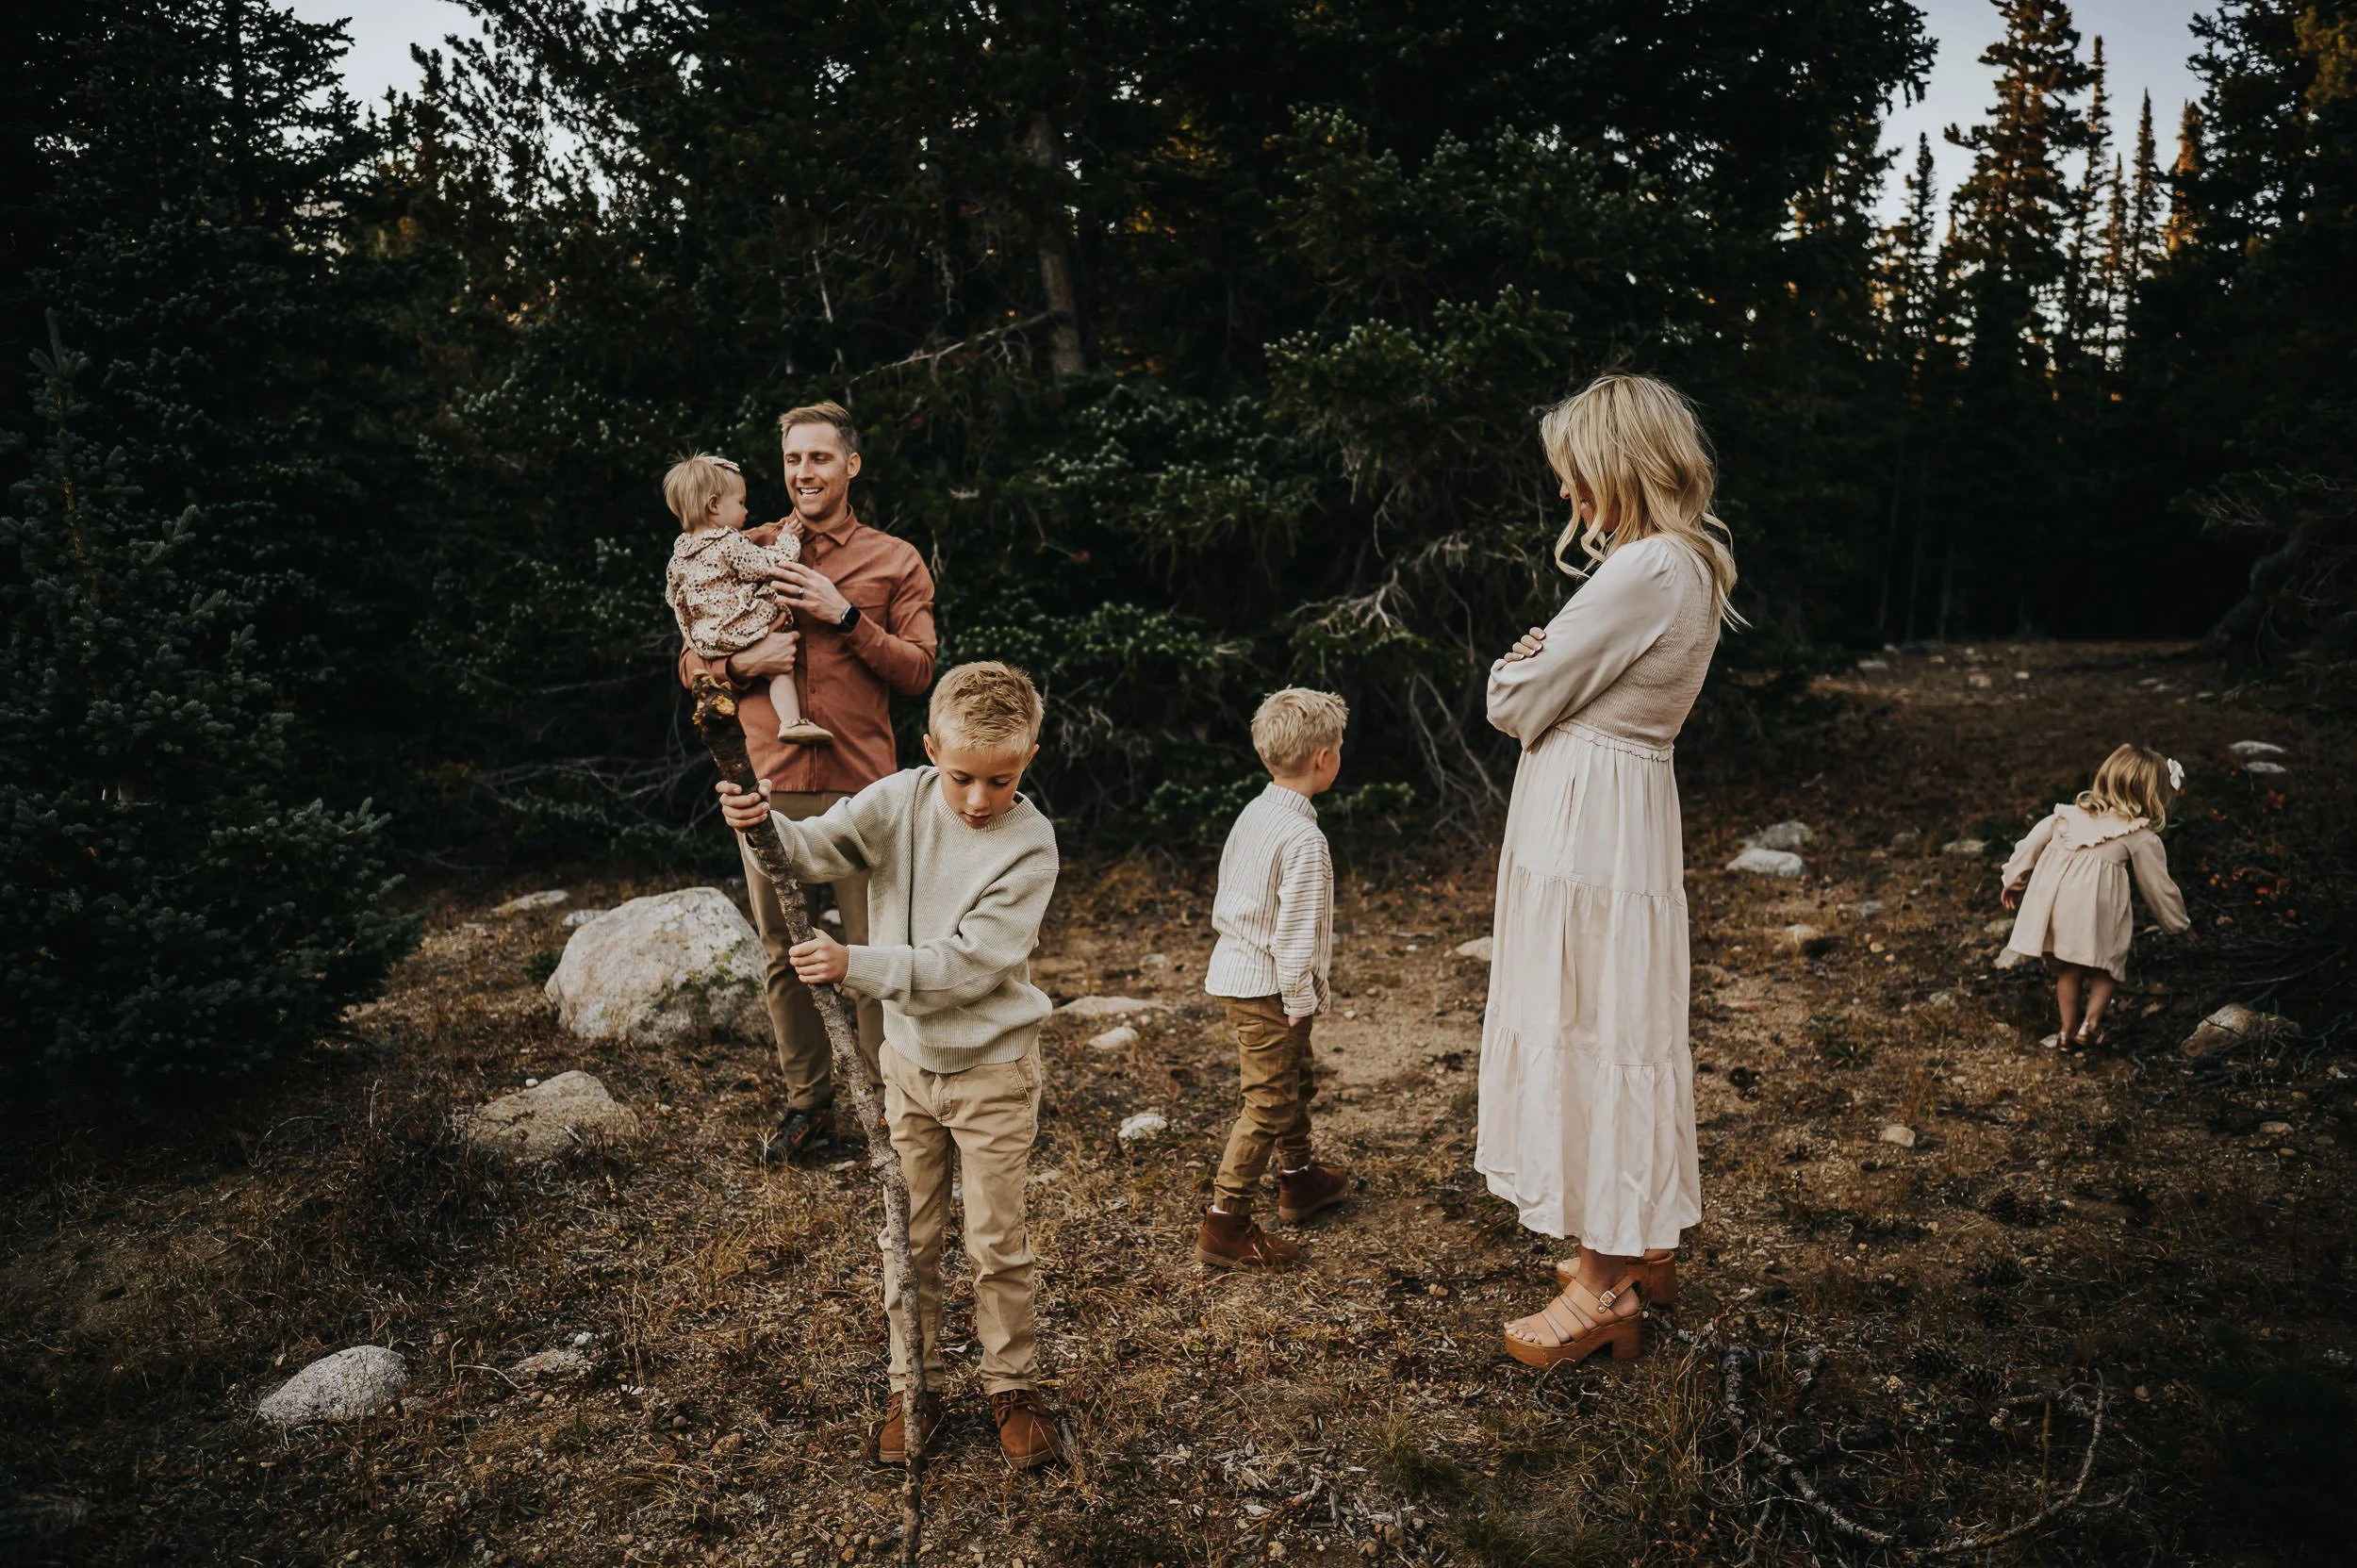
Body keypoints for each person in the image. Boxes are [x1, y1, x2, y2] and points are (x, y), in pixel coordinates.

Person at [717, 662, 1064, 1471]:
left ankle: (1010, 1384)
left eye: (1002, 779)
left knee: (994, 1238)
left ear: (1030, 758)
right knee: (907, 1235)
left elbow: (972, 961)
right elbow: (812, 848)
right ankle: (918, 1385)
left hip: (992, 1073)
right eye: (962, 776)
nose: (980, 798)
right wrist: (758, 818)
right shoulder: (900, 798)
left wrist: (856, 964)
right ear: (929, 747)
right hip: (906, 1064)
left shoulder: (1029, 844)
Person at [1477, 372, 1740, 1368]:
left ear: (1618, 465)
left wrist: (1526, 664)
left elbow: (1512, 697)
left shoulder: (1646, 571)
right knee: (1606, 1015)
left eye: (1575, 475)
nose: (1565, 496)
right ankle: (1637, 1246)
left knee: (1590, 1022)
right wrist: (1542, 672)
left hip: (1592, 822)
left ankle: (1604, 1282)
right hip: (1608, 812)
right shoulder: (1679, 563)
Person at [678, 402, 936, 1162]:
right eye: (793, 460)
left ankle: (894, 1110)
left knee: (875, 949)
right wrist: (739, 666)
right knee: (783, 951)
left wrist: (845, 615)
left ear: (851, 465)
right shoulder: (736, 547)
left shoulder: (895, 560)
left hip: (866, 789)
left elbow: (920, 670)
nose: (804, 473)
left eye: (820, 458)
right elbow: (691, 657)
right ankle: (809, 1109)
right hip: (769, 786)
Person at [1195, 688, 1355, 1272]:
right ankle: (1225, 1224)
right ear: (1322, 758)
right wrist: (1297, 996)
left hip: (1245, 974)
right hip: (1266, 985)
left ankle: (1300, 1178)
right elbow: (1295, 931)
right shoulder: (1305, 840)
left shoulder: (1258, 811)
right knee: (1267, 1102)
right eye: (1338, 747)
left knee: (1294, 1075)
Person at [1998, 744, 2190, 1047]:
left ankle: (2066, 1031)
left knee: (2070, 969)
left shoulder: (2066, 815)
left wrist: (2013, 878)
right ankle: (2091, 1025)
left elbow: (2030, 844)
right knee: (2107, 964)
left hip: (2058, 903)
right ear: (2153, 794)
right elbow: (2159, 887)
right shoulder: (2139, 835)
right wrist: (2178, 924)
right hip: (2099, 908)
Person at [660, 452, 832, 746]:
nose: (747, 510)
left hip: (706, 638)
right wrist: (788, 537)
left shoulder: (680, 555)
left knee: (767, 649)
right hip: (738, 624)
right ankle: (791, 720)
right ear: (714, 505)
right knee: (778, 606)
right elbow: (770, 563)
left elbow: (672, 595)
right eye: (740, 502)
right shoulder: (729, 543)